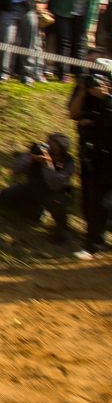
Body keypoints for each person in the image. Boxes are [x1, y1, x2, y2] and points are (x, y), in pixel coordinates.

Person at [68, 55, 112, 260]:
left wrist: (106, 97)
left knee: (106, 202)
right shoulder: (84, 85)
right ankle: (94, 242)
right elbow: (73, 112)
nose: (97, 79)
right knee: (91, 199)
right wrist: (85, 91)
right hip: (91, 153)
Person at [0, 134, 76, 243]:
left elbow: (56, 184)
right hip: (31, 189)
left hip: (53, 194)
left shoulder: (68, 162)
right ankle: (35, 211)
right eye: (47, 144)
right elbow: (16, 170)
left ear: (61, 149)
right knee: (4, 197)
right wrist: (30, 157)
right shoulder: (37, 151)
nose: (47, 147)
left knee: (57, 203)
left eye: (52, 146)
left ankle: (62, 231)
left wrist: (47, 165)